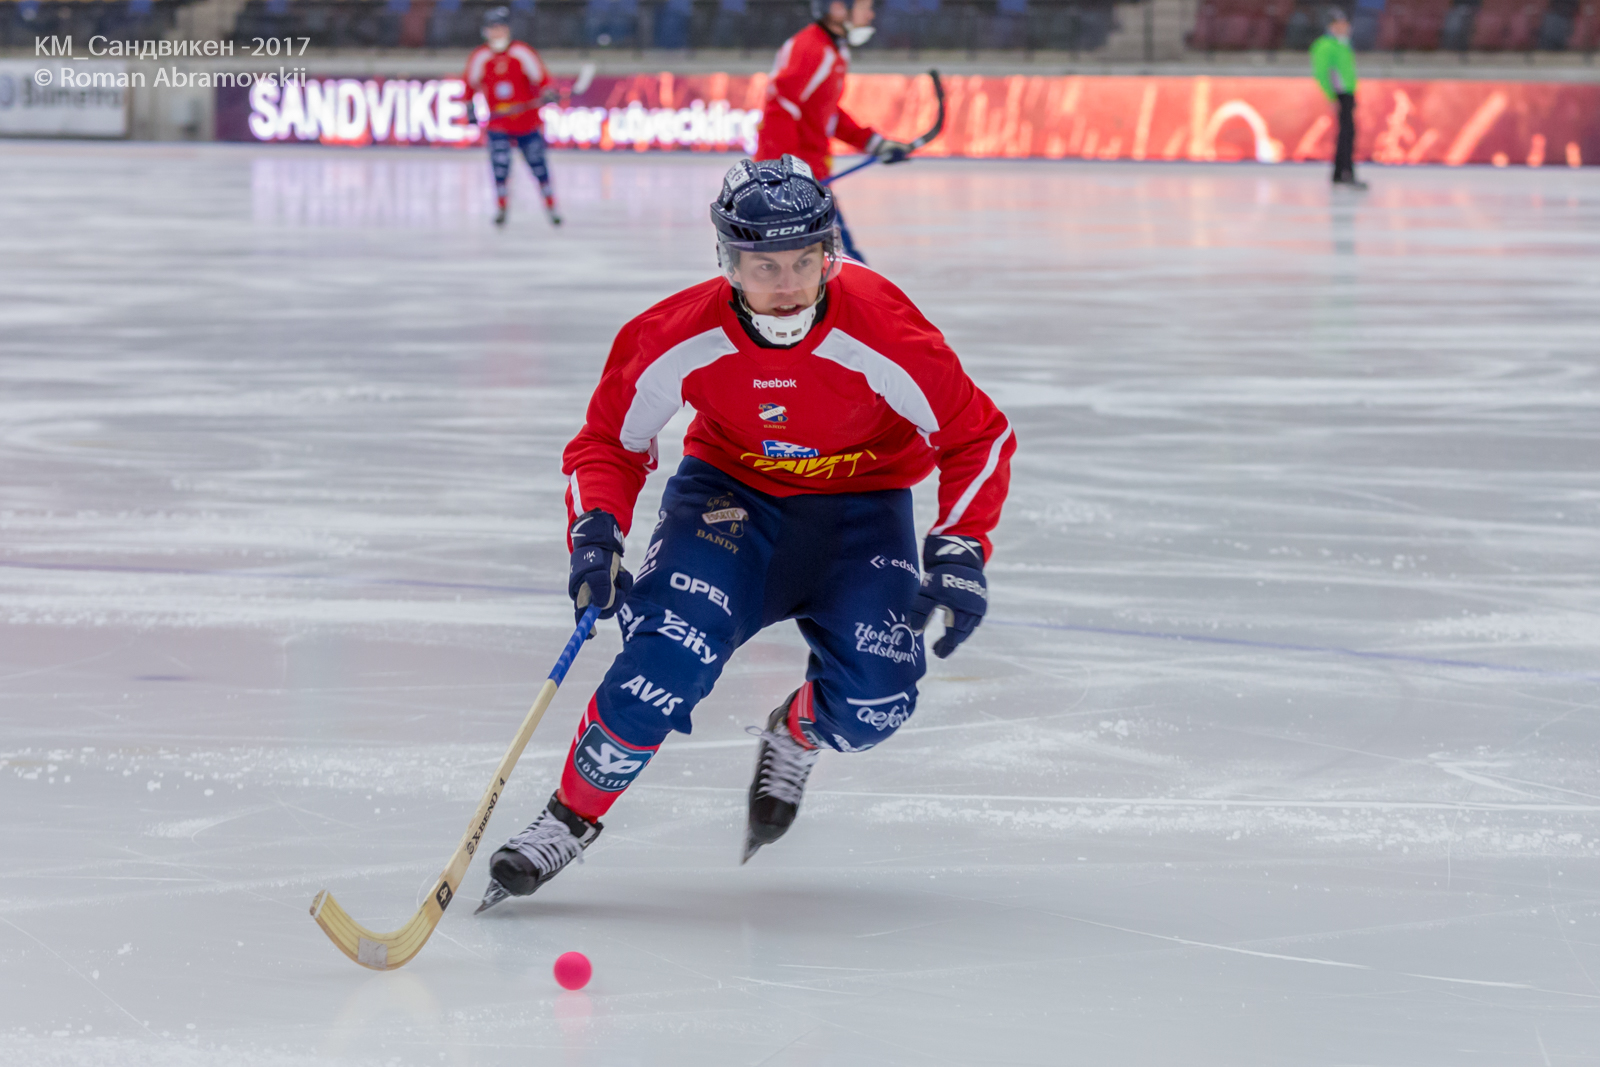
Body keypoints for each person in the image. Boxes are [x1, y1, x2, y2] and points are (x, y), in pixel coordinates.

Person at [477, 155, 1015, 911]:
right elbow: (608, 442)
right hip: (731, 502)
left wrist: (960, 548)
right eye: (765, 266)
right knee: (666, 659)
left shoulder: (881, 323)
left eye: (806, 260)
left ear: (830, 253)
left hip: (862, 509)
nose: (788, 284)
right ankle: (569, 817)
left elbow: (976, 435)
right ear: (728, 263)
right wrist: (596, 529)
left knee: (876, 707)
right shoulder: (676, 332)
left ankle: (795, 731)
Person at [754, 0, 912, 264]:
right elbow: (779, 108)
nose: (871, 14)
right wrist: (785, 176)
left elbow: (825, 113)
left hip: (810, 178)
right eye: (865, 7)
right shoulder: (813, 49)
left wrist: (873, 143)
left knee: (839, 265)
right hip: (795, 184)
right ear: (838, 8)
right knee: (841, 266)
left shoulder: (834, 50)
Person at [464, 7, 561, 226]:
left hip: (527, 122)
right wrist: (470, 109)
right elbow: (469, 85)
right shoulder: (481, 56)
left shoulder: (521, 52)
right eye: (492, 28)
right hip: (498, 124)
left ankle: (551, 205)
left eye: (500, 28)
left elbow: (542, 79)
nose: (496, 32)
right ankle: (501, 206)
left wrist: (548, 93)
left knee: (538, 166)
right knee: (500, 167)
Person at [1311, 8, 1367, 190]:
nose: (1346, 28)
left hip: (1347, 93)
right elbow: (1322, 73)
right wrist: (1331, 95)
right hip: (1340, 94)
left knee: (1348, 134)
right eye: (1341, 24)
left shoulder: (1343, 44)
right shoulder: (1326, 46)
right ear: (1332, 26)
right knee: (1346, 134)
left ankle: (1340, 172)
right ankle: (1345, 172)